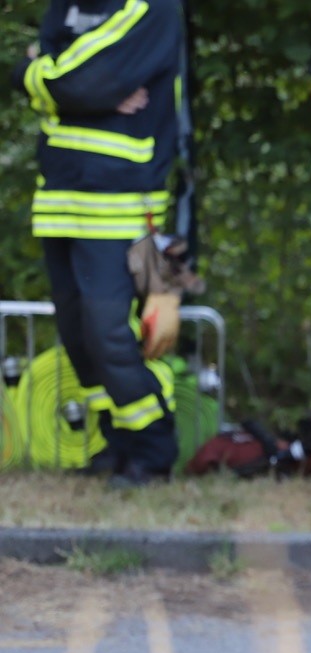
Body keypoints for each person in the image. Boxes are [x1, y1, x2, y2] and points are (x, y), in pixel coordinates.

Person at [10, 0, 185, 487]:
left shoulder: (150, 7)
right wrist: (66, 83)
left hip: (123, 205)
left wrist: (59, 81)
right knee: (77, 332)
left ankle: (153, 448)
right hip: (60, 196)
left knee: (110, 332)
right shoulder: (66, 7)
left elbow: (82, 79)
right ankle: (117, 440)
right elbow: (65, 77)